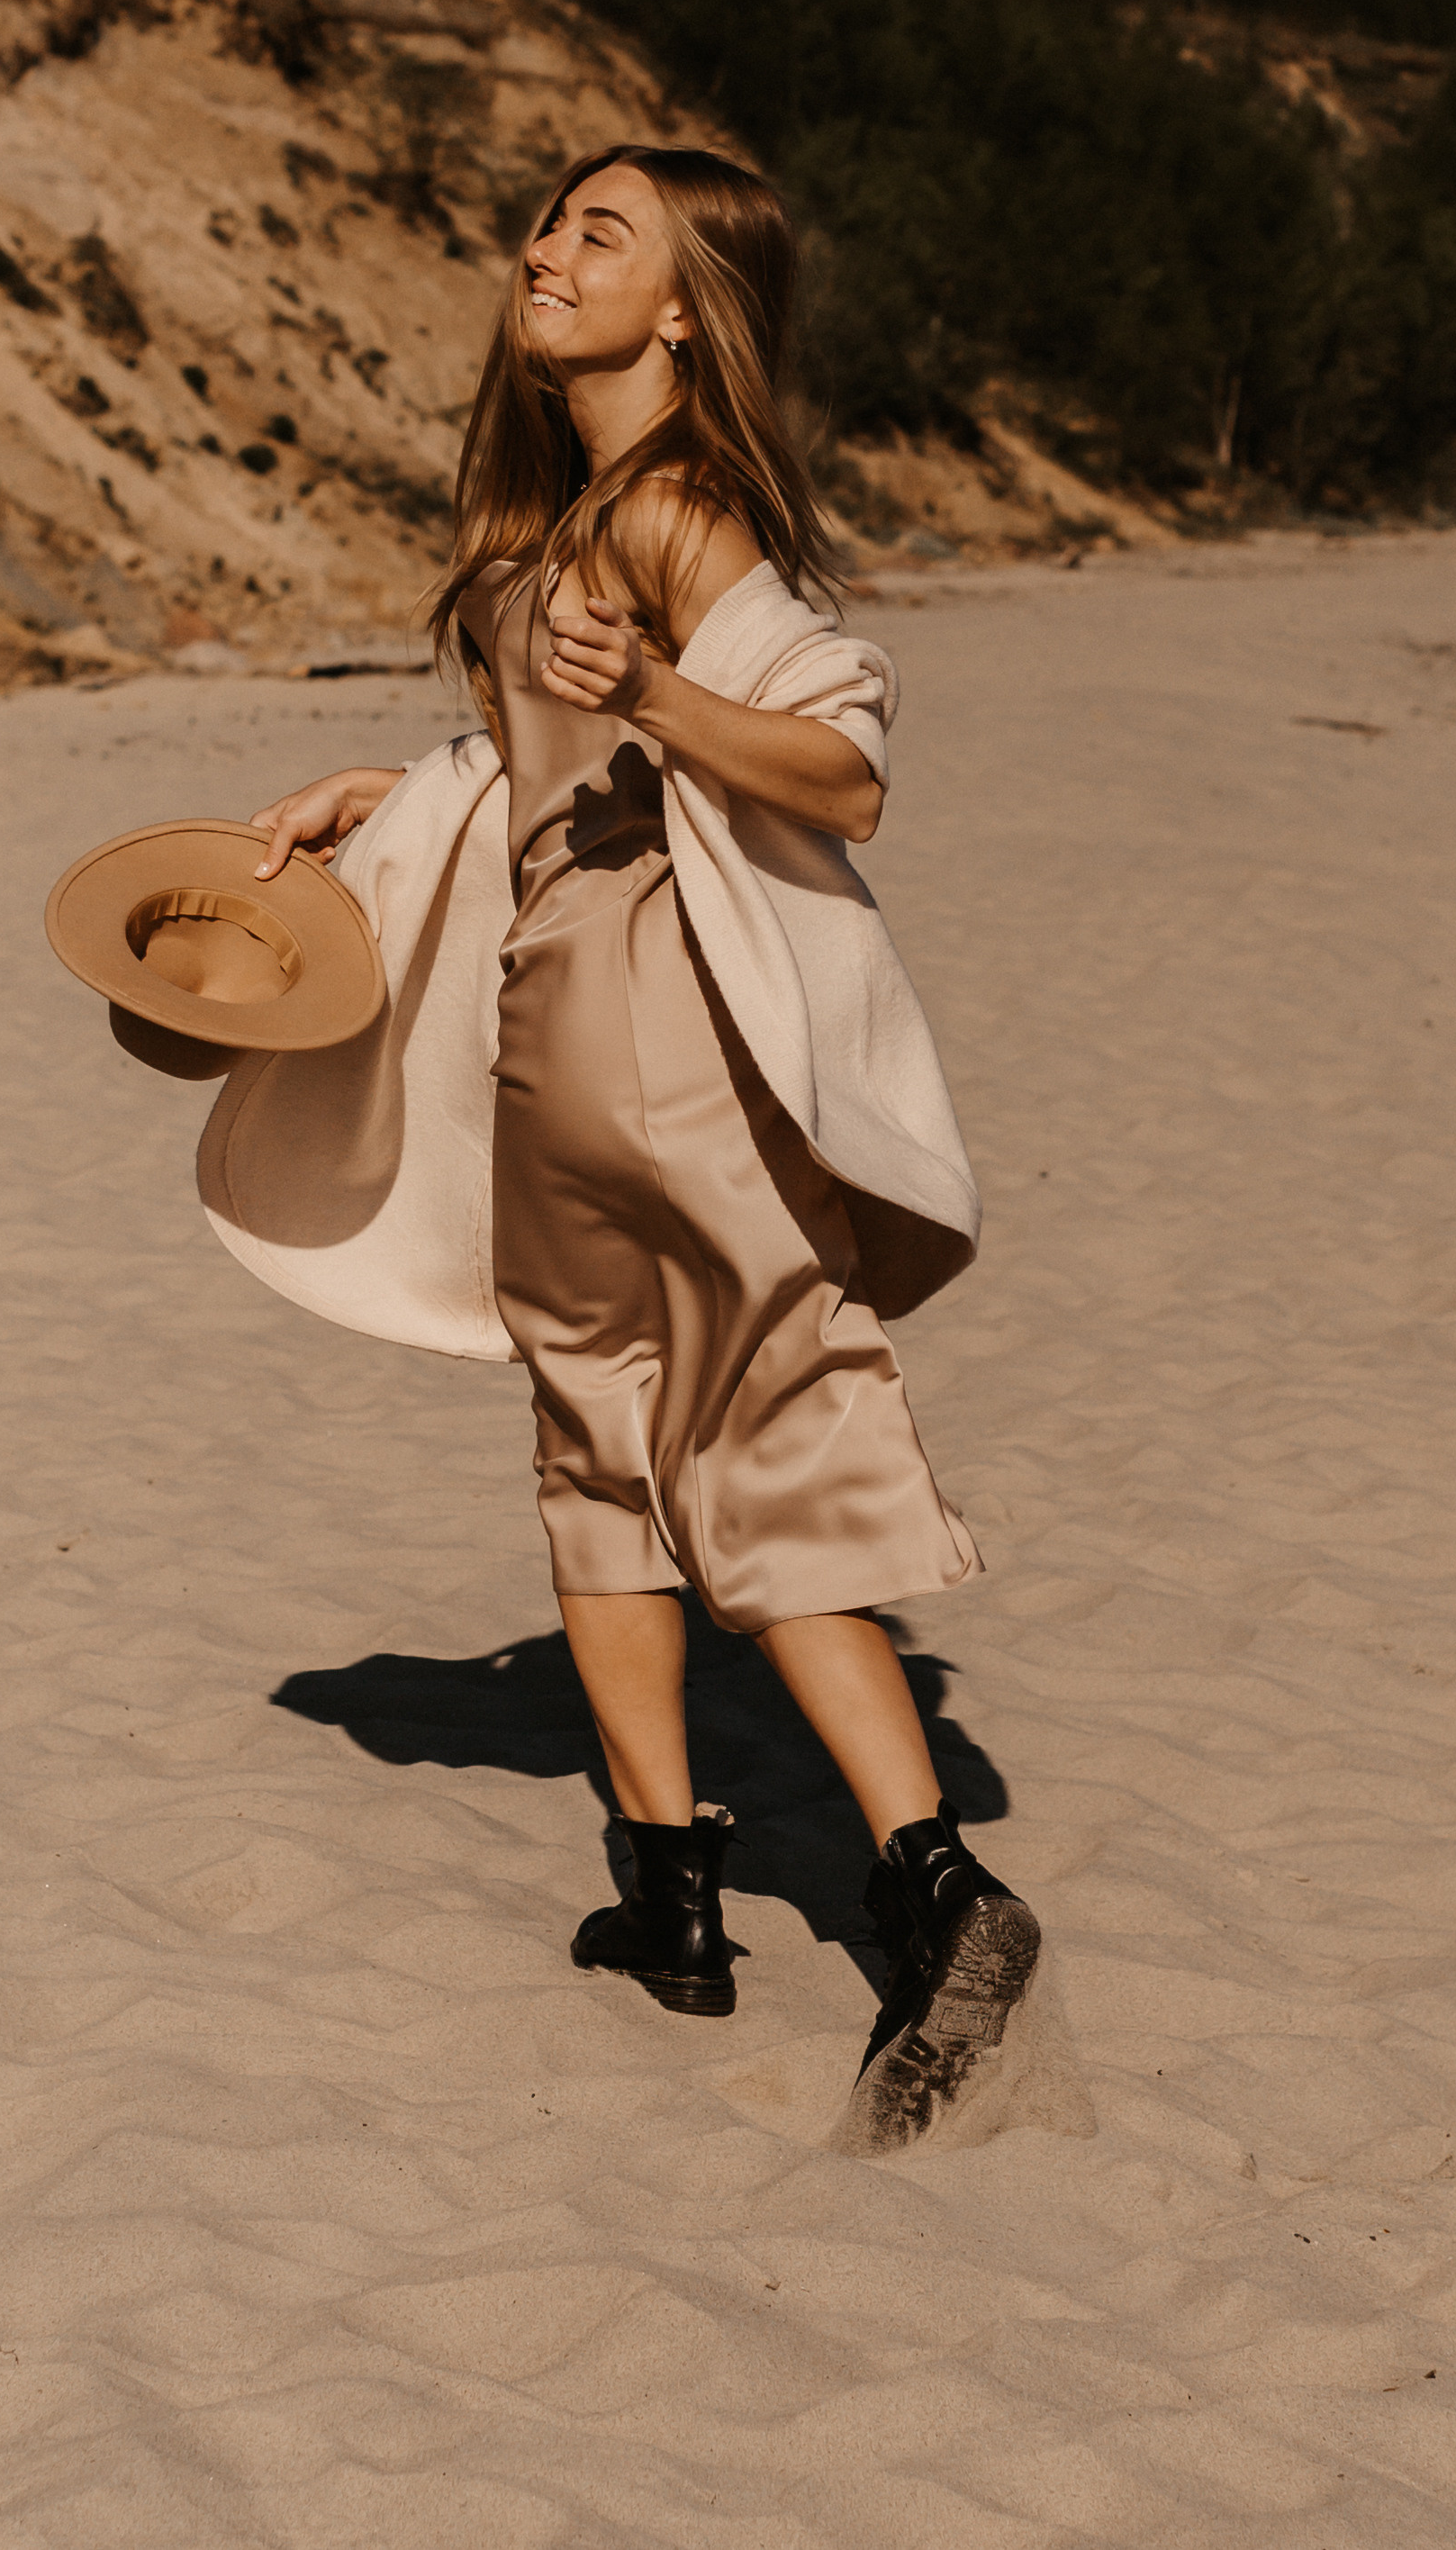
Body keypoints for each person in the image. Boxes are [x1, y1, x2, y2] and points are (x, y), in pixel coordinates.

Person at [237, 145, 1035, 2147]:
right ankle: (807, 1876)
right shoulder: (582, 509)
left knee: (632, 1437)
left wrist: (666, 687)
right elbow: (555, 755)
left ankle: (715, 1892)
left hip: (627, 1021)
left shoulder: (675, 505)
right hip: (584, 1024)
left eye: (602, 233)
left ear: (685, 310)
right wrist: (398, 782)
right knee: (680, 1425)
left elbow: (844, 759)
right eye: (548, 220)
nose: (546, 249)